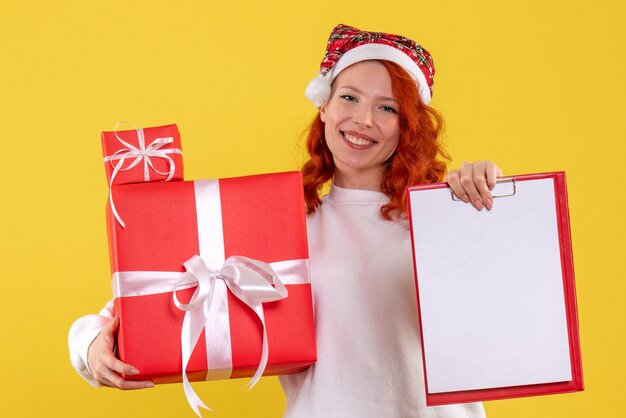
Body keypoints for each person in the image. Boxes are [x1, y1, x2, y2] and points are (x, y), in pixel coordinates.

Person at [69, 23, 501, 417]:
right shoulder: (283, 224)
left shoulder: (442, 215)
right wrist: (89, 345)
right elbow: (136, 303)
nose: (363, 119)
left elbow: (509, 305)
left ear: (407, 127)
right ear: (325, 108)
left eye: (387, 108)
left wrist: (485, 202)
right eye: (349, 97)